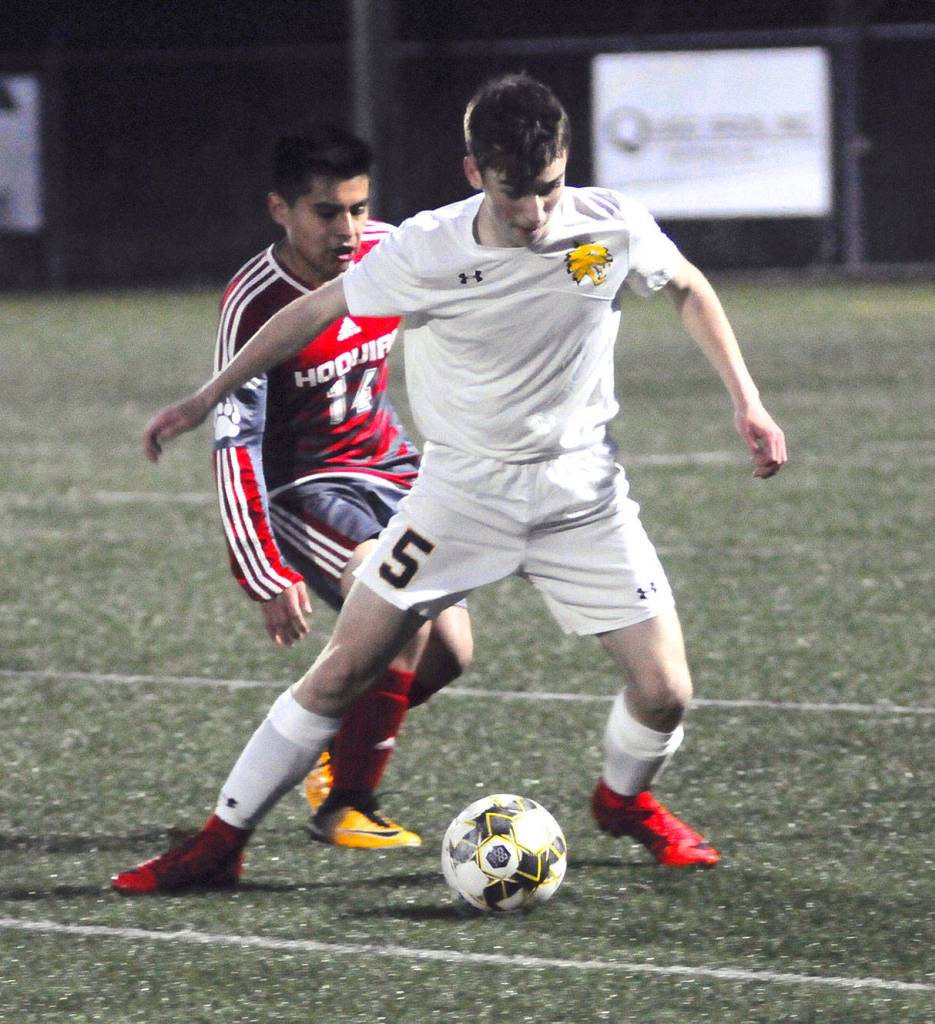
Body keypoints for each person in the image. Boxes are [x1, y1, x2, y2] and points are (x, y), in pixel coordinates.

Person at [113, 73, 786, 894]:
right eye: (514, 193)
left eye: (548, 189)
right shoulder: (427, 248)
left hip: (583, 496)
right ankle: (219, 843)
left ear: (566, 162)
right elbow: (313, 311)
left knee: (666, 692)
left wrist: (748, 403)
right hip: (457, 498)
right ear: (475, 172)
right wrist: (205, 396)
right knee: (342, 669)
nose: (535, 213)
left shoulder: (606, 229)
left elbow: (687, 288)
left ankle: (622, 802)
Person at [188, 123, 475, 869]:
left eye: (358, 208)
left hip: (393, 466)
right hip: (305, 487)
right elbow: (234, 443)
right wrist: (262, 572)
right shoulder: (253, 302)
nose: (348, 230)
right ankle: (348, 804)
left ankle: (327, 744)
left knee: (454, 652)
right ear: (279, 209)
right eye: (326, 213)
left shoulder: (386, 249)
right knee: (397, 607)